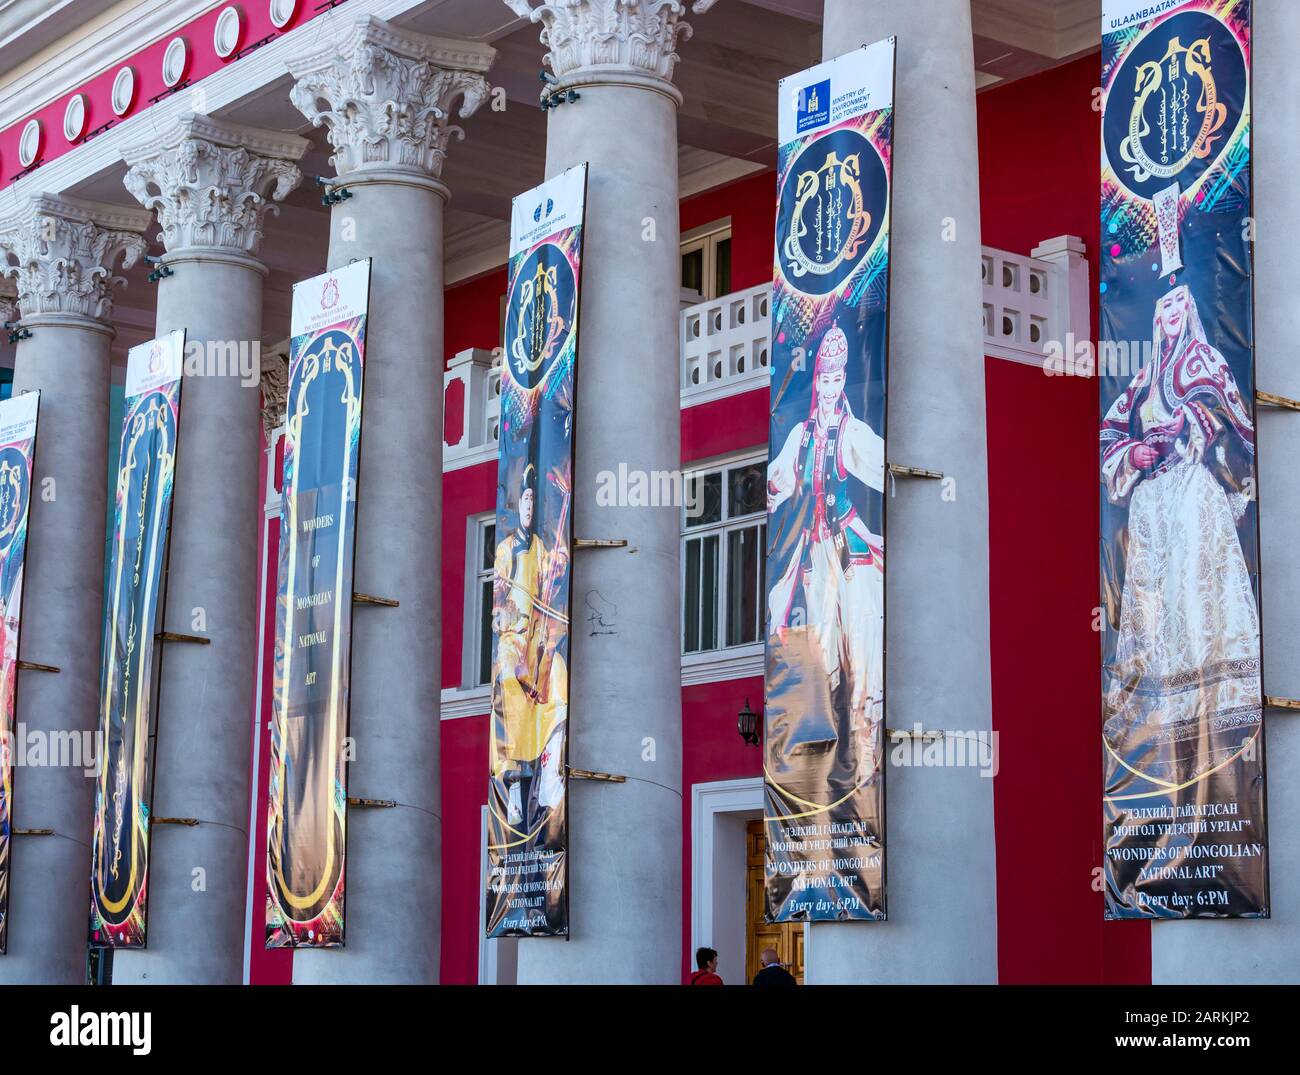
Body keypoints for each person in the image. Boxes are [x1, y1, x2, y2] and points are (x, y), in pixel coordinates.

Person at [1101, 284, 1260, 785]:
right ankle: (1168, 717)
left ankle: (1214, 710)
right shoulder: (1146, 377)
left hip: (1193, 495)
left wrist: (1189, 424)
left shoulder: (1204, 359)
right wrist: (1134, 454)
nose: (1170, 311)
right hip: (1154, 506)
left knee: (1195, 593)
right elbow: (1107, 431)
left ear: (1188, 307)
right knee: (1155, 606)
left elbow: (1237, 420)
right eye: (1162, 303)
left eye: (1178, 302)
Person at [767, 322, 885, 762]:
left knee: (862, 646)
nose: (833, 386)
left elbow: (882, 462)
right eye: (826, 378)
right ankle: (833, 752)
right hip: (815, 555)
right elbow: (776, 484)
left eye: (839, 378)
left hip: (851, 553)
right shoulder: (800, 435)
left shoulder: (850, 434)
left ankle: (868, 748)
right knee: (822, 652)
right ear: (816, 380)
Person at [492, 463, 569, 829]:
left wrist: (558, 562)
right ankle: (516, 792)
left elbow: (556, 574)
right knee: (510, 682)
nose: (528, 506)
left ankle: (551, 774)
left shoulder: (543, 548)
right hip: (514, 638)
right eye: (524, 498)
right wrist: (501, 614)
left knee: (559, 684)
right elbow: (498, 597)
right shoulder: (507, 549)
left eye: (533, 501)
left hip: (538, 636)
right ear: (518, 503)